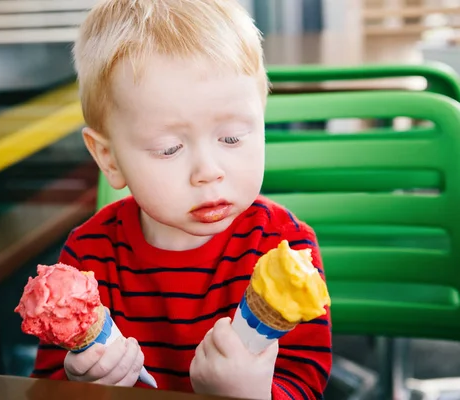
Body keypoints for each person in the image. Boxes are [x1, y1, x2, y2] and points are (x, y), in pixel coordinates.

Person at [31, 0, 332, 398]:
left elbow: (306, 381)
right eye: (169, 148)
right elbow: (43, 385)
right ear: (109, 158)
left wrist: (251, 393)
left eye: (231, 138)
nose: (208, 170)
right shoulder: (88, 255)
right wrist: (81, 382)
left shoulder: (284, 247)